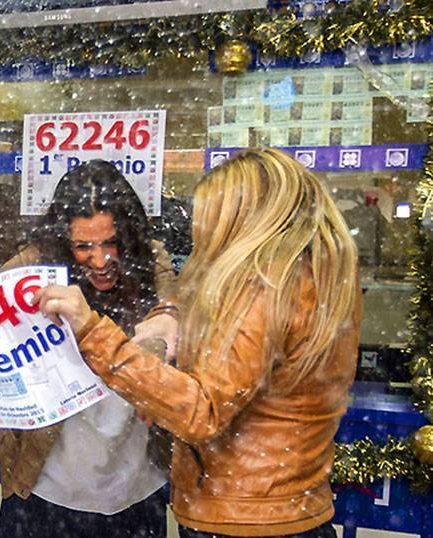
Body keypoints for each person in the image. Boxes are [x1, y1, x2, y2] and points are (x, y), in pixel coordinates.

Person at [36, 148, 360, 537]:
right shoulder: (317, 273)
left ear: (246, 219)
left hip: (244, 516)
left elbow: (200, 412)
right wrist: (169, 313)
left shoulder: (267, 289)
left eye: (211, 217)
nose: (202, 233)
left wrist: (92, 332)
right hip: (282, 507)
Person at [0, 159, 177, 538]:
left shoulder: (151, 263)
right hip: (46, 484)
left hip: (136, 485)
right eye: (83, 247)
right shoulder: (29, 269)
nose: (100, 261)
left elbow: (171, 320)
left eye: (110, 243)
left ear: (128, 235)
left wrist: (159, 339)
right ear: (62, 242)